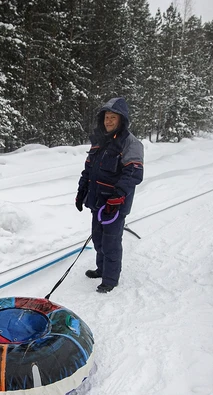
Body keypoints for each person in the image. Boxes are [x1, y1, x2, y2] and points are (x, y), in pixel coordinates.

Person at [75, 97, 144, 293]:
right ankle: (101, 269)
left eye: (113, 117)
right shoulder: (99, 142)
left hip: (115, 205)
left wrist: (118, 196)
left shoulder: (131, 144)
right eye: (106, 117)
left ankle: (111, 279)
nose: (109, 121)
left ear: (122, 120)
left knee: (111, 242)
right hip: (97, 201)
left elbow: (134, 173)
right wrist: (81, 192)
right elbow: (88, 169)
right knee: (98, 238)